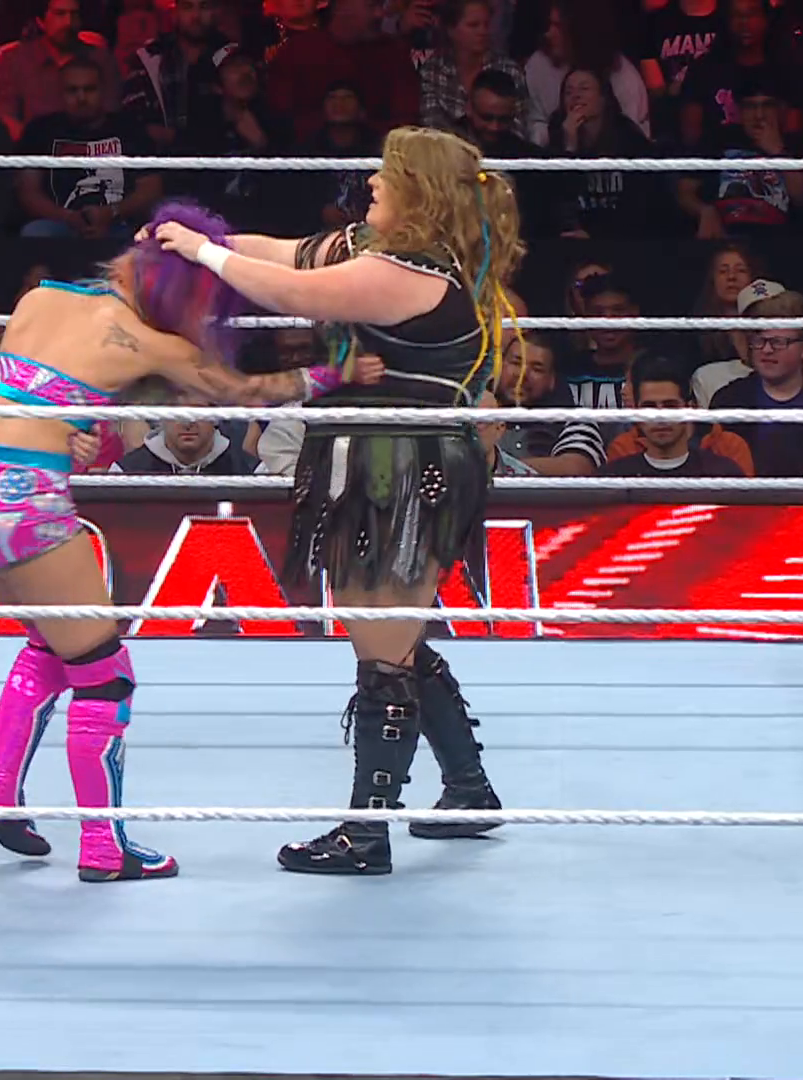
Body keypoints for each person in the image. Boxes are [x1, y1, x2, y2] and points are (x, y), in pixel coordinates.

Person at [0, 200, 383, 884]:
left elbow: (37, 399)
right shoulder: (157, 344)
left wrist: (82, 438)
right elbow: (247, 391)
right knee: (105, 673)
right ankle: (104, 848)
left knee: (51, 642)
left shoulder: (38, 299)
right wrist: (337, 375)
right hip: (24, 502)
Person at [153, 125, 521, 876]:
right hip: (379, 461)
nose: (373, 183)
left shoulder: (410, 274)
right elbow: (285, 254)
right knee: (391, 637)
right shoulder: (376, 253)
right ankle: (467, 787)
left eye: (387, 174)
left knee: (383, 650)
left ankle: (366, 832)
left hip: (402, 467)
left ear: (418, 191)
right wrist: (196, 237)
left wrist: (201, 255)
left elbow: (293, 293)